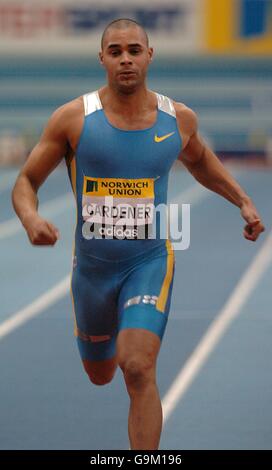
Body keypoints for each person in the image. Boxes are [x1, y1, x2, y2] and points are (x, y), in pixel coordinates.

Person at [12, 18, 265, 450]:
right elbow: (25, 182)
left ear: (149, 55)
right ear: (103, 59)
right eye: (116, 51)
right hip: (91, 270)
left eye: (134, 50)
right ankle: (97, 339)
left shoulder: (177, 118)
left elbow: (201, 161)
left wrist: (241, 199)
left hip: (148, 262)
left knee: (137, 366)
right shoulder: (73, 118)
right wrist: (31, 219)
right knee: (100, 373)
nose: (125, 59)